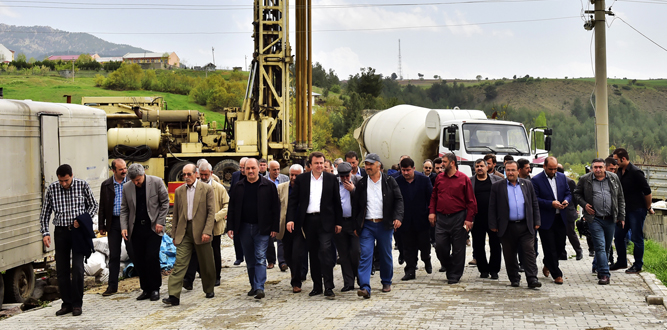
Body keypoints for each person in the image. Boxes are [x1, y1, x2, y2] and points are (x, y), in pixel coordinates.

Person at [40, 164, 98, 317]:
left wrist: (83, 219)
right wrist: (45, 233)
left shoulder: (82, 185)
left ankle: (77, 303)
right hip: (60, 232)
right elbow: (45, 213)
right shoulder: (52, 189)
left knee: (78, 269)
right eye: (61, 181)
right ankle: (66, 303)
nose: (64, 184)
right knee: (62, 270)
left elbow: (93, 206)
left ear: (72, 175)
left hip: (77, 233)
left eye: (66, 180)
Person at [286, 152, 343, 298]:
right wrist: (290, 219)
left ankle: (329, 287)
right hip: (308, 222)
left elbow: (337, 202)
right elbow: (293, 201)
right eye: (316, 163)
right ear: (310, 165)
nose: (319, 166)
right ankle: (317, 286)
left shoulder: (331, 179)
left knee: (325, 251)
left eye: (321, 163)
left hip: (326, 221)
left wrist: (338, 222)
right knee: (313, 254)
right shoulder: (302, 179)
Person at [163, 164, 216, 306]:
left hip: (201, 230)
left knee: (206, 263)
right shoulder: (180, 191)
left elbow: (211, 212)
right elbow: (176, 214)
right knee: (179, 263)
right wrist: (174, 234)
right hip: (184, 231)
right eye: (183, 175)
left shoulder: (207, 189)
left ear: (196, 174)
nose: (186, 177)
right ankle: (173, 295)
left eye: (188, 174)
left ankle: (209, 288)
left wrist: (207, 231)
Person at [227, 158, 280, 299]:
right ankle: (253, 285)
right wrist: (230, 227)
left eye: (253, 168)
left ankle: (260, 287)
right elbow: (231, 208)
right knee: (250, 259)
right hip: (244, 228)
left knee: (260, 257)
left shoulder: (268, 186)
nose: (250, 171)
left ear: (259, 169)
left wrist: (274, 227)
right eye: (247, 168)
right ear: (243, 170)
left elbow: (276, 208)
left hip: (262, 228)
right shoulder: (238, 187)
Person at [353, 153, 403, 299]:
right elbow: (356, 206)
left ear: (378, 165)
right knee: (365, 255)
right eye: (366, 164)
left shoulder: (389, 181)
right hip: (367, 225)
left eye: (370, 164)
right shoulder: (362, 183)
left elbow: (399, 200)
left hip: (384, 225)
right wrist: (356, 226)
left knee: (385, 254)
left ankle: (386, 281)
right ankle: (365, 286)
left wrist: (398, 217)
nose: (367, 167)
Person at [488, 160, 542, 288]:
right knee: (509, 253)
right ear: (505, 171)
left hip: (525, 225)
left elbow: (534, 204)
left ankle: (532, 278)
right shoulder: (497, 186)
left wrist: (537, 221)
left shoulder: (527, 185)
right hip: (507, 226)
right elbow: (492, 207)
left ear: (518, 171)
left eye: (513, 170)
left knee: (529, 252)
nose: (510, 173)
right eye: (508, 170)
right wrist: (493, 224)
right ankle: (514, 278)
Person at [120, 164, 169, 301]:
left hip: (153, 227)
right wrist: (124, 227)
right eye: (134, 180)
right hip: (135, 229)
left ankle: (155, 288)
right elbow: (124, 209)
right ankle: (145, 289)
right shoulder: (127, 187)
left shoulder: (157, 182)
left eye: (138, 180)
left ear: (143, 174)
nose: (136, 183)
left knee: (151, 257)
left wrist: (160, 221)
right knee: (139, 259)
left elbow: (165, 202)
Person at [573, 158, 625, 285]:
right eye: (595, 167)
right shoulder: (586, 179)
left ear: (604, 167)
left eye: (600, 167)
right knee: (600, 246)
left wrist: (622, 216)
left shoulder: (613, 178)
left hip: (610, 218)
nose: (598, 170)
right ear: (592, 168)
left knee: (607, 247)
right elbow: (576, 194)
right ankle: (604, 274)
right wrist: (585, 205)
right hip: (594, 219)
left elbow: (620, 197)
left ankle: (598, 266)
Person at [429, 153, 477, 284]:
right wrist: (432, 212)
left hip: (459, 218)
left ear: (452, 163)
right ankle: (449, 265)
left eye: (444, 162)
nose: (442, 164)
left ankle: (455, 274)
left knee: (458, 248)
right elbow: (434, 196)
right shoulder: (439, 178)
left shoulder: (464, 179)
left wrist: (469, 219)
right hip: (441, 218)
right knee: (440, 246)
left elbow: (471, 201)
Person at [184, 162, 230, 288]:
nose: (203, 177)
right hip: (197, 226)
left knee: (214, 251)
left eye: (206, 175)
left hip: (214, 226)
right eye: (201, 175)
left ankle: (216, 276)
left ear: (211, 173)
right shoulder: (194, 187)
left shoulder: (219, 188)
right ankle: (189, 279)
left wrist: (216, 217)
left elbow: (227, 205)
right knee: (194, 251)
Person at [611, 148, 654, 274]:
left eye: (616, 160)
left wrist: (647, 207)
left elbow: (647, 191)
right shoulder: (619, 172)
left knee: (636, 237)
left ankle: (638, 264)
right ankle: (621, 261)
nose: (615, 162)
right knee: (618, 236)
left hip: (636, 209)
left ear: (623, 159)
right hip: (623, 210)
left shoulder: (636, 172)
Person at [531, 157, 571, 285]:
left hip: (561, 218)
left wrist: (566, 200)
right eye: (550, 169)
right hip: (546, 219)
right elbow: (535, 199)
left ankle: (547, 263)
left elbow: (568, 193)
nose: (553, 171)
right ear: (544, 167)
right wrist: (550, 204)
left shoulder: (562, 177)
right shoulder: (536, 180)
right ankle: (557, 274)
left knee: (560, 246)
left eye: (555, 169)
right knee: (550, 247)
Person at [395, 158, 433, 280]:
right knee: (408, 247)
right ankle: (410, 270)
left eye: (408, 170)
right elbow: (394, 201)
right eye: (403, 170)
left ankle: (426, 259)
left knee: (424, 245)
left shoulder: (424, 180)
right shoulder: (397, 182)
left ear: (414, 169)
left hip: (422, 219)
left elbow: (431, 198)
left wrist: (431, 213)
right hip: (405, 220)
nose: (405, 173)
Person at [99, 158, 128, 297]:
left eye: (125, 168)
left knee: (133, 251)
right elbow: (102, 206)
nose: (124, 171)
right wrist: (101, 225)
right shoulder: (106, 185)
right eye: (121, 169)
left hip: (128, 222)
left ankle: (145, 282)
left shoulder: (131, 182)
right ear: (113, 170)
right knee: (114, 254)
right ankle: (112, 286)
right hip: (114, 223)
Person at [470, 159, 503, 279]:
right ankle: (483, 270)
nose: (479, 168)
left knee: (495, 244)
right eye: (477, 166)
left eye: (482, 166)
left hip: (493, 218)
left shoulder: (497, 180)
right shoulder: (470, 181)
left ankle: (494, 270)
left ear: (487, 167)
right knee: (478, 245)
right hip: (477, 218)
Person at [281, 164, 310, 291]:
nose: (293, 177)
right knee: (287, 255)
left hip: (301, 227)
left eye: (296, 175)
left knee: (297, 254)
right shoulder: (281, 188)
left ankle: (296, 282)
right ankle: (294, 273)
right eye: (291, 175)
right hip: (285, 227)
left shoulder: (307, 188)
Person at [334, 162, 362, 291]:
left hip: (354, 222)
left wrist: (353, 190)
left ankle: (360, 278)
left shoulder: (359, 181)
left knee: (356, 252)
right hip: (340, 223)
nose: (345, 179)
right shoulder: (334, 183)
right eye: (342, 176)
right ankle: (348, 282)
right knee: (343, 254)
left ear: (351, 172)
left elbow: (364, 200)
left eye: (347, 175)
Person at [263, 160, 289, 269]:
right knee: (269, 238)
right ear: (269, 170)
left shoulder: (285, 179)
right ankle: (271, 260)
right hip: (268, 212)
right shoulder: (263, 180)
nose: (277, 171)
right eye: (274, 170)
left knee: (280, 236)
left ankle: (282, 262)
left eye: (278, 169)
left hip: (282, 211)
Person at [557, 164, 584, 260]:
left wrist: (573, 206)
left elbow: (574, 196)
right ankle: (562, 253)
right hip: (557, 212)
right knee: (559, 234)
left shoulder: (569, 182)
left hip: (568, 211)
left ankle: (578, 250)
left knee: (570, 232)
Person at [230, 157, 248, 265]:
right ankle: (239, 257)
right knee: (236, 234)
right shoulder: (235, 175)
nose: (242, 170)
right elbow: (232, 191)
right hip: (237, 209)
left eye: (243, 167)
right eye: (240, 167)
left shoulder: (254, 176)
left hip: (248, 208)